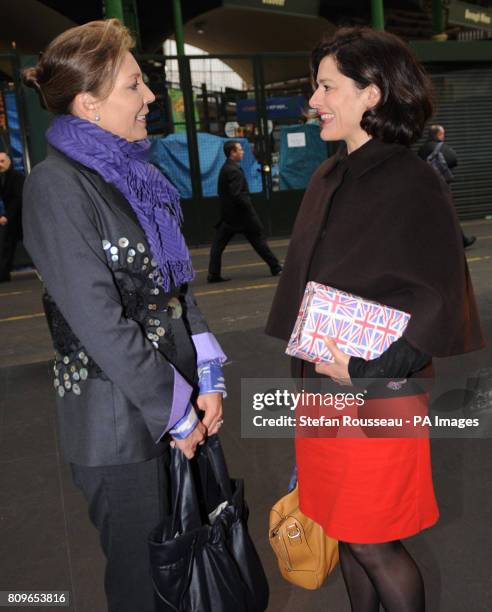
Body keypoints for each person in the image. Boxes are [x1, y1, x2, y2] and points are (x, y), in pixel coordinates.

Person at [266, 28, 483, 612]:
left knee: (374, 541)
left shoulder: (412, 180)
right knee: (343, 528)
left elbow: (439, 295)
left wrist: (365, 366)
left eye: (327, 86)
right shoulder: (331, 174)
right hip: (324, 388)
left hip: (375, 388)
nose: (314, 101)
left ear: (373, 93)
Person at [22, 19, 227, 612]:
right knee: (145, 586)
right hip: (118, 425)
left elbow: (173, 286)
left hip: (176, 404)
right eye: (135, 85)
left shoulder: (131, 176)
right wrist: (177, 412)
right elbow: (98, 319)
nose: (151, 97)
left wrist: (209, 376)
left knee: (189, 570)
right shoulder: (57, 187)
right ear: (89, 105)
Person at [207, 140, 282, 282]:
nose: (243, 152)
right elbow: (238, 195)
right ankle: (276, 267)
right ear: (232, 153)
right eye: (240, 150)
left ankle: (213, 274)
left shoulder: (226, 168)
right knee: (258, 242)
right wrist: (250, 210)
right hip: (241, 217)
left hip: (230, 217)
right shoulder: (233, 170)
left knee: (218, 246)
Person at [418, 124, 476, 248]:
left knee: (432, 214)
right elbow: (453, 160)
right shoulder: (442, 147)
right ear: (439, 134)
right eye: (443, 134)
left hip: (426, 186)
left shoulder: (422, 149)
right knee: (449, 212)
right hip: (442, 186)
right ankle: (461, 240)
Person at [0, 151, 24, 282]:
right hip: (11, 217)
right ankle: (3, 274)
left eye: (3, 161)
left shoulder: (17, 177)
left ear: (9, 162)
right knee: (6, 245)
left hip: (20, 217)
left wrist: (7, 216)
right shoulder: (2, 178)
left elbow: (18, 199)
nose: (0, 165)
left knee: (7, 245)